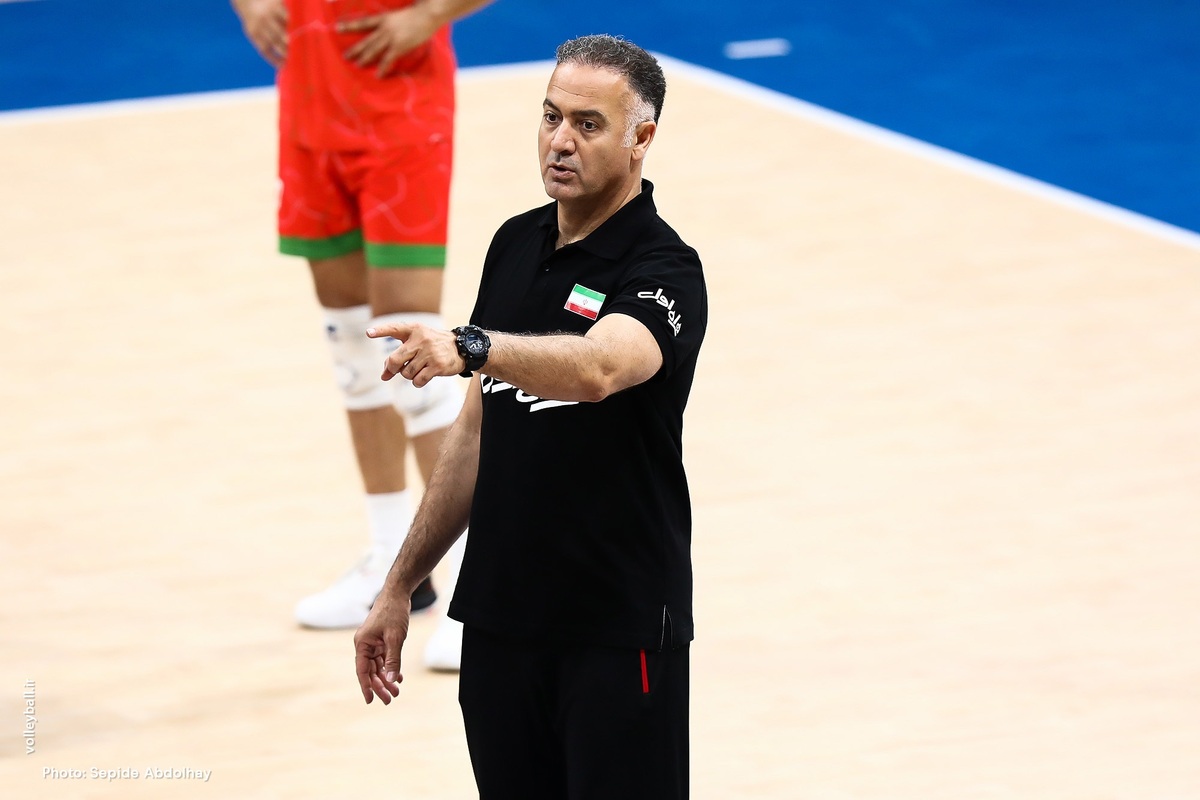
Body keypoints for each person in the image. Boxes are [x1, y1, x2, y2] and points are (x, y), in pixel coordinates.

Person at [353, 34, 707, 799]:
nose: (560, 141)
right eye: (551, 117)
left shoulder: (664, 269)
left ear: (642, 137)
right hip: (500, 623)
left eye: (588, 124)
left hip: (616, 629)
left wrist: (472, 346)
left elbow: (601, 367)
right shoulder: (515, 243)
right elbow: (474, 434)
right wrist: (399, 584)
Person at [231, 0, 494, 670]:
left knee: (411, 351)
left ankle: (481, 587)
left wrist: (431, 13)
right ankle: (392, 562)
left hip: (399, 110)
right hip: (310, 108)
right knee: (352, 346)